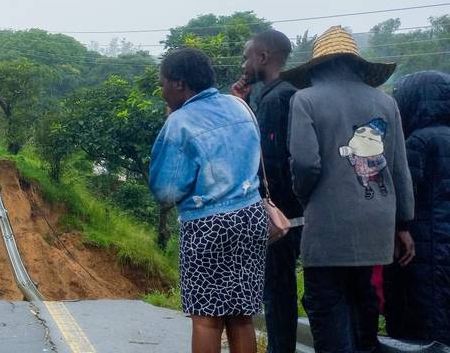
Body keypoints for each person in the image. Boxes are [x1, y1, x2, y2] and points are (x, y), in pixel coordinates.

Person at [283, 26, 414, 353]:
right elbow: (398, 168)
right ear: (357, 65)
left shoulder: (305, 100)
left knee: (327, 307)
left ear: (317, 68)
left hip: (328, 226)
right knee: (363, 303)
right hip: (377, 225)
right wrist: (403, 225)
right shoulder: (385, 102)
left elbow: (304, 165)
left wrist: (307, 197)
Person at [148, 48, 267, 353]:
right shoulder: (240, 107)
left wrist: (172, 120)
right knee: (241, 316)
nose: (161, 90)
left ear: (179, 83)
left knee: (206, 318)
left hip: (208, 224)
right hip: (252, 216)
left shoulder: (180, 123)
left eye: (163, 83)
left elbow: (166, 190)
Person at [231, 30, 306, 353]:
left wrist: (264, 204)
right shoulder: (280, 94)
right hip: (294, 210)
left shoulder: (278, 99)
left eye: (248, 56)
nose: (244, 63)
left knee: (278, 291)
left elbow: (270, 161)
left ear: (263, 57)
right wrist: (242, 106)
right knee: (281, 290)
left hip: (281, 213)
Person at [385, 70, 450, 345]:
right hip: (444, 240)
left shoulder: (418, 142)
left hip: (422, 245)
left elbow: (404, 193)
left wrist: (399, 228)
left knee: (423, 314)